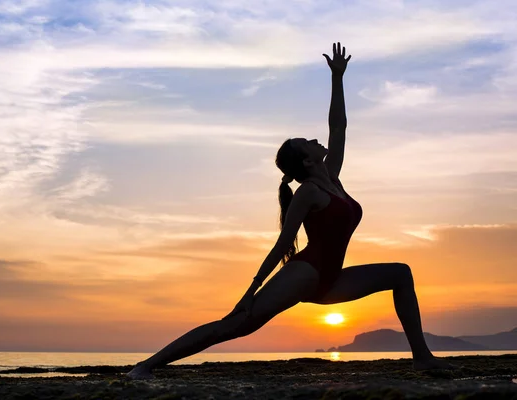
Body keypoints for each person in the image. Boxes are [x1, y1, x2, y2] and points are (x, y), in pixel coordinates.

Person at [126, 42, 455, 380]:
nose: (315, 140)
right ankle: (146, 366)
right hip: (306, 273)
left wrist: (337, 78)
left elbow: (338, 128)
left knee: (400, 273)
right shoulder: (309, 192)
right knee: (235, 325)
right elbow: (284, 243)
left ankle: (422, 357)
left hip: (332, 277)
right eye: (308, 142)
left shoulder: (333, 180)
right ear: (308, 160)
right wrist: (249, 292)